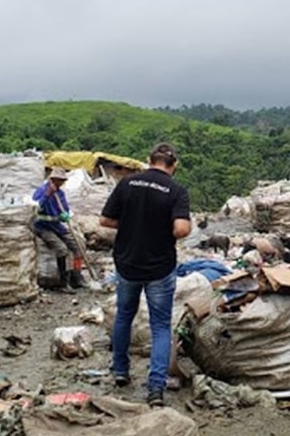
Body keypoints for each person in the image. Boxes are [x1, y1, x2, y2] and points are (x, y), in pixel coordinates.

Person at [99, 143, 192, 407]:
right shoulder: (176, 191)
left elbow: (105, 220)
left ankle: (120, 371)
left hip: (127, 263)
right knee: (161, 326)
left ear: (149, 160)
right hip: (159, 267)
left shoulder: (127, 184)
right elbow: (182, 230)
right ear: (173, 166)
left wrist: (130, 221)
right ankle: (155, 389)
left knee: (124, 316)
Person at [32, 167, 84, 293]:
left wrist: (65, 214)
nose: (60, 183)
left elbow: (65, 208)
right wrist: (47, 195)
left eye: (62, 181)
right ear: (52, 179)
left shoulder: (60, 193)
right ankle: (63, 283)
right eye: (57, 180)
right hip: (43, 227)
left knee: (78, 245)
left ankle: (76, 277)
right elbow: (35, 209)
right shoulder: (41, 191)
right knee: (62, 250)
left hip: (56, 226)